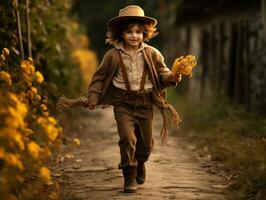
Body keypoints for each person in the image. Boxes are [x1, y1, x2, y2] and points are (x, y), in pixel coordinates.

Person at [86, 5, 181, 193]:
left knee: (146, 144)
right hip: (123, 103)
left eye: (138, 32)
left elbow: (162, 72)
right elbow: (99, 78)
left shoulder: (152, 53)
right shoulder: (112, 55)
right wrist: (93, 96)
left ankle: (140, 161)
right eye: (129, 32)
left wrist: (172, 77)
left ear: (145, 33)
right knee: (127, 138)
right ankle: (129, 176)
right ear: (121, 33)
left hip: (145, 103)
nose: (134, 36)